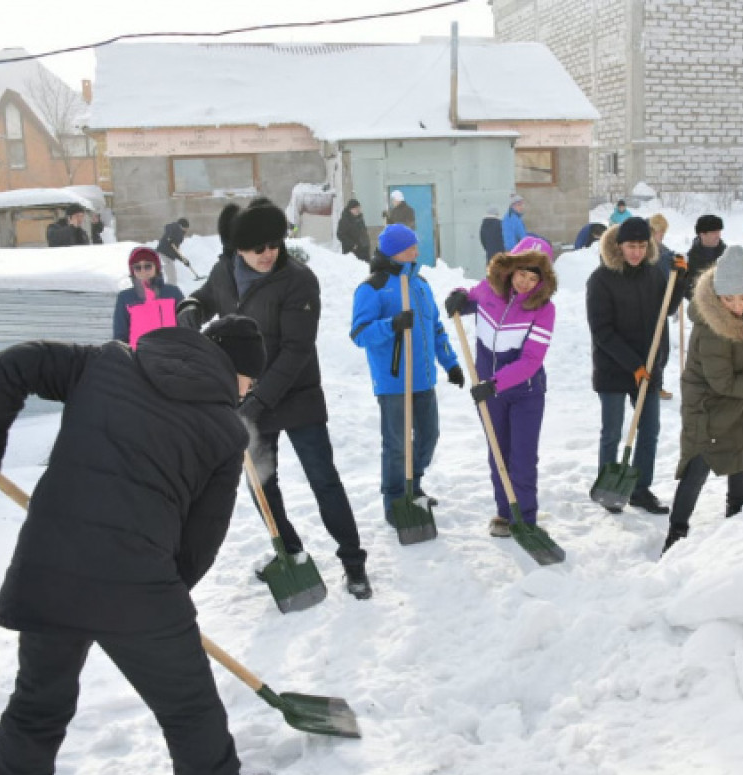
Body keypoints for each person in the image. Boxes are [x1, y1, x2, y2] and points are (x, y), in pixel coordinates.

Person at [0, 315, 267, 775]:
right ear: (237, 372)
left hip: (49, 567)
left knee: (36, 708)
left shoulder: (107, 362)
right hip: (139, 585)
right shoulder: (226, 433)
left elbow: (18, 362)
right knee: (188, 707)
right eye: (251, 381)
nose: (249, 392)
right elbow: (200, 541)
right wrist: (160, 605)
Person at [178, 200, 372, 600]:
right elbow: (209, 296)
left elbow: (297, 351)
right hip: (249, 398)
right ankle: (291, 553)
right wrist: (192, 306)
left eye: (274, 244)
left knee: (323, 480)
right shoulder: (224, 271)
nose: (268, 253)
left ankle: (353, 562)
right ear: (239, 249)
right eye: (258, 248)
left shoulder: (298, 280)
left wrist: (257, 401)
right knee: (262, 485)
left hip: (296, 397)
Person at [664, 246, 743, 554]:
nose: (737, 306)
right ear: (717, 295)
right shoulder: (712, 329)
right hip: (707, 403)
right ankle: (676, 533)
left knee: (741, 452)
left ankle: (737, 521)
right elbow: (723, 382)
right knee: (699, 462)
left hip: (740, 398)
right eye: (728, 299)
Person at [350, 223, 464, 525]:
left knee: (429, 436)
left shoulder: (420, 284)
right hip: (393, 382)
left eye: (415, 246)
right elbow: (360, 334)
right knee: (397, 444)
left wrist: (450, 363)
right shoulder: (372, 287)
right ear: (393, 252)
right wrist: (391, 324)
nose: (416, 251)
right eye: (409, 248)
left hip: (423, 379)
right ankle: (394, 497)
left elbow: (435, 328)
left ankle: (413, 484)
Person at [444, 236, 557, 537]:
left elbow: (531, 360)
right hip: (489, 391)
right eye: (521, 273)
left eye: (533, 277)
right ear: (510, 268)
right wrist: (458, 296)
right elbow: (469, 296)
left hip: (525, 392)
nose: (525, 282)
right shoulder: (489, 290)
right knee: (498, 452)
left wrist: (495, 384)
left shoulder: (543, 309)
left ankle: (526, 519)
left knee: (522, 456)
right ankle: (505, 513)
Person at [586, 216, 682, 514]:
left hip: (649, 367)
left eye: (642, 246)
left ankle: (641, 489)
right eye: (631, 246)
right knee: (613, 432)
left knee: (649, 430)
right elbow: (602, 331)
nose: (637, 252)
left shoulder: (653, 275)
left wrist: (680, 278)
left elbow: (667, 308)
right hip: (614, 368)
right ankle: (609, 488)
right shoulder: (601, 279)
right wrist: (632, 365)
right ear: (619, 246)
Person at [112, 246, 185, 346]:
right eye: (137, 267)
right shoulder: (125, 298)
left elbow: (186, 328)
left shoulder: (172, 293)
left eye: (148, 266)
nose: (143, 271)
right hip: (139, 354)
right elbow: (120, 336)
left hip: (172, 353)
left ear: (156, 267)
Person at [649, 213, 683, 400]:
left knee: (663, 350)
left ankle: (657, 385)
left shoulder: (665, 252)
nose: (661, 235)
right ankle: (650, 386)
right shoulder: (646, 252)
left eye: (663, 232)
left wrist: (679, 271)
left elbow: (671, 275)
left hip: (663, 306)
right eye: (658, 231)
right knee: (652, 350)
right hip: (648, 308)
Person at [685, 215, 726, 300]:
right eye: (714, 232)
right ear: (702, 234)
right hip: (699, 304)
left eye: (719, 232)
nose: (718, 236)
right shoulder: (690, 259)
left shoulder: (728, 256)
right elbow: (686, 289)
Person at [157, 217, 195, 283]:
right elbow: (169, 228)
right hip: (164, 255)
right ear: (182, 226)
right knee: (172, 279)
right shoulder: (175, 228)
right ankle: (168, 289)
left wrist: (183, 260)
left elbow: (175, 251)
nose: (187, 230)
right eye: (186, 228)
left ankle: (166, 289)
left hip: (166, 256)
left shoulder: (179, 235)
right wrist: (169, 236)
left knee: (172, 278)